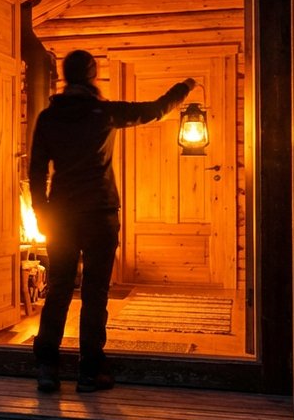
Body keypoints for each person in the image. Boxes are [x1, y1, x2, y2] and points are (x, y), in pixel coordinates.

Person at [29, 49, 195, 393]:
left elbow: (36, 171)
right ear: (91, 74)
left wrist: (41, 211)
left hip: (61, 214)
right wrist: (185, 87)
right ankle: (90, 372)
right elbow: (154, 110)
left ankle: (47, 368)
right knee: (95, 292)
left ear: (66, 76)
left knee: (58, 288)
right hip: (100, 214)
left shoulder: (48, 117)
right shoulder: (103, 113)